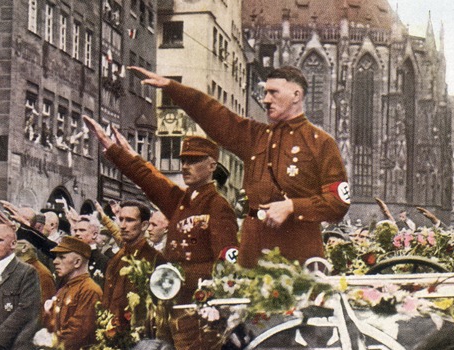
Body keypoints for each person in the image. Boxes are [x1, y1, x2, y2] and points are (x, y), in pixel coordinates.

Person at [132, 65, 350, 267]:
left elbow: (338, 202)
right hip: (253, 254)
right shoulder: (255, 137)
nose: (265, 99)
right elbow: (215, 115)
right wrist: (173, 88)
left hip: (298, 257)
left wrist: (293, 206)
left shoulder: (320, 142)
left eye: (273, 93)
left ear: (296, 95)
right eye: (265, 93)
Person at [86, 118, 239, 350]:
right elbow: (148, 179)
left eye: (193, 161)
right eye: (183, 161)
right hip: (170, 310)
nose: (185, 166)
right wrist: (114, 150)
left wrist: (209, 297)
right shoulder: (182, 202)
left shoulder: (218, 206)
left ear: (212, 166)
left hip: (196, 312)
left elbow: (227, 263)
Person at [34, 236, 102, 350]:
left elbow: (79, 331)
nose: (55, 261)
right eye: (56, 257)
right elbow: (51, 325)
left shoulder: (89, 289)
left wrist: (48, 349)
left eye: (62, 257)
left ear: (78, 261)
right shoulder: (65, 288)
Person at [101, 201, 162, 334]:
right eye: (121, 219)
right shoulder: (117, 257)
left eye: (129, 220)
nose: (122, 226)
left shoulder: (155, 259)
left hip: (138, 335)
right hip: (111, 333)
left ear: (144, 225)